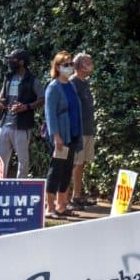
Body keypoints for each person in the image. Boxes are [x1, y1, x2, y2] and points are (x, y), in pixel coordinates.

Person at [0, 49, 44, 179]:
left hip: (22, 126)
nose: (9, 62)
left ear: (21, 62)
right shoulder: (8, 77)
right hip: (4, 124)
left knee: (23, 160)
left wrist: (26, 107)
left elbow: (42, 99)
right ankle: (0, 187)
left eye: (12, 59)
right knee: (0, 159)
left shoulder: (32, 80)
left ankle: (21, 188)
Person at [44, 51, 82, 219]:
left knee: (67, 171)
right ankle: (50, 207)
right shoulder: (53, 87)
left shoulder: (71, 85)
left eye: (71, 64)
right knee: (56, 170)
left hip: (73, 134)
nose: (70, 67)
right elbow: (50, 114)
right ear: (58, 67)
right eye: (66, 64)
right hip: (61, 136)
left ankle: (61, 206)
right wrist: (56, 136)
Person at [70, 53, 97, 207]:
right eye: (88, 62)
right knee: (76, 163)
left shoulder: (85, 83)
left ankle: (77, 195)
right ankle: (68, 198)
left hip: (88, 129)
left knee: (83, 163)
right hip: (79, 130)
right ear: (80, 65)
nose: (91, 64)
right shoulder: (73, 83)